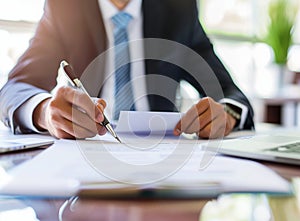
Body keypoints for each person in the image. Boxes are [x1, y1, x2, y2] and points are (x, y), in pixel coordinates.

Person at [0, 0, 254, 139]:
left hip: (163, 156)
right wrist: (44, 112)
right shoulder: (66, 6)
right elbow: (15, 88)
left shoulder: (179, 9)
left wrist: (227, 114)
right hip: (86, 153)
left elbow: (230, 93)